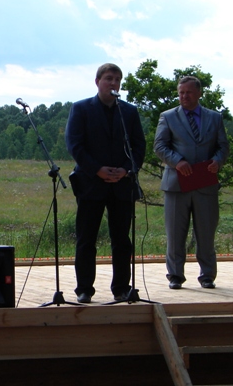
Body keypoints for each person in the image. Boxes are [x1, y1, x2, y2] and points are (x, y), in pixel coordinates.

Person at [65, 63, 146, 303]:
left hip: (121, 185)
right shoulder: (81, 108)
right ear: (97, 81)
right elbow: (75, 145)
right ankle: (84, 289)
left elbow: (139, 146)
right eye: (109, 78)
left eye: (117, 79)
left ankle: (121, 288)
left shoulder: (128, 112)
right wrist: (97, 170)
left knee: (122, 240)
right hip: (91, 184)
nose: (113, 83)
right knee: (86, 239)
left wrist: (126, 169)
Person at [153, 76, 229, 290]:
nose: (184, 96)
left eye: (188, 92)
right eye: (181, 93)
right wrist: (177, 161)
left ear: (199, 93)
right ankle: (175, 275)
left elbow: (223, 146)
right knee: (175, 233)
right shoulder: (168, 117)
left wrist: (217, 161)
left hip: (205, 183)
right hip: (177, 184)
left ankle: (207, 276)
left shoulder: (214, 118)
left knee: (206, 232)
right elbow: (159, 146)